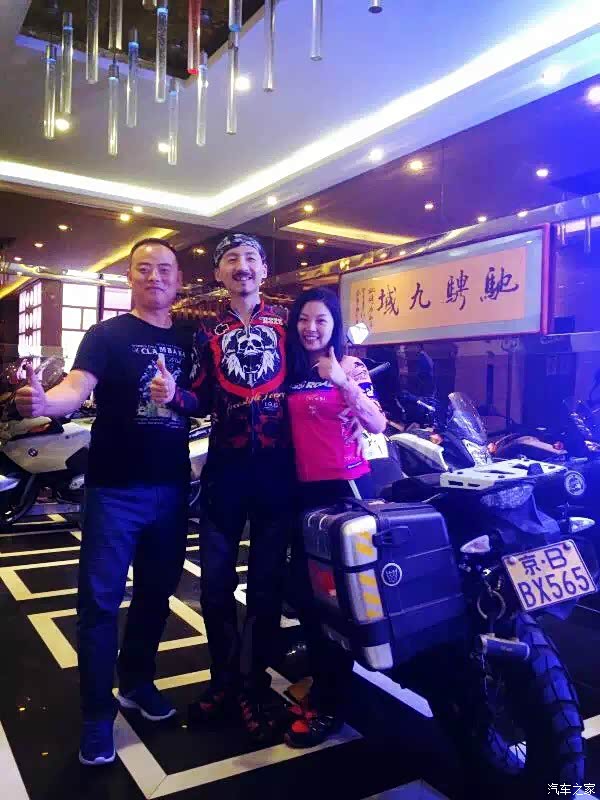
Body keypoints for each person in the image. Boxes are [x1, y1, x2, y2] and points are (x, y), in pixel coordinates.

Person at [15, 239, 192, 766]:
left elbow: (207, 395)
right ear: (130, 277)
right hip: (114, 490)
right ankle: (97, 715)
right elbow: (76, 387)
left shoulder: (190, 337)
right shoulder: (106, 335)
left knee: (156, 596)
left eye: (165, 269)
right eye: (144, 269)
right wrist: (46, 401)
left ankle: (137, 681)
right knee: (98, 604)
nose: (155, 277)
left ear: (179, 279)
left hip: (173, 489)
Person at [156, 233, 295, 745]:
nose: (242, 266)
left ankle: (254, 685)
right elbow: (199, 397)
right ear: (218, 273)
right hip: (225, 472)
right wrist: (174, 396)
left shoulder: (288, 323)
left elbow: (310, 379)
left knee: (265, 587)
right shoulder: (204, 332)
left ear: (264, 269)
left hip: (278, 472)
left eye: (250, 258)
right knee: (215, 585)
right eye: (231, 259)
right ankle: (224, 680)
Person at [284, 286, 387, 748]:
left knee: (337, 599)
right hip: (298, 492)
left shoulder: (351, 366)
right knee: (304, 594)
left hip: (343, 492)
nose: (311, 328)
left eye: (321, 320)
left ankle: (332, 703)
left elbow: (376, 423)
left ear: (335, 325)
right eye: (304, 319)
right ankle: (324, 676)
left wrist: (343, 383)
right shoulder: (289, 370)